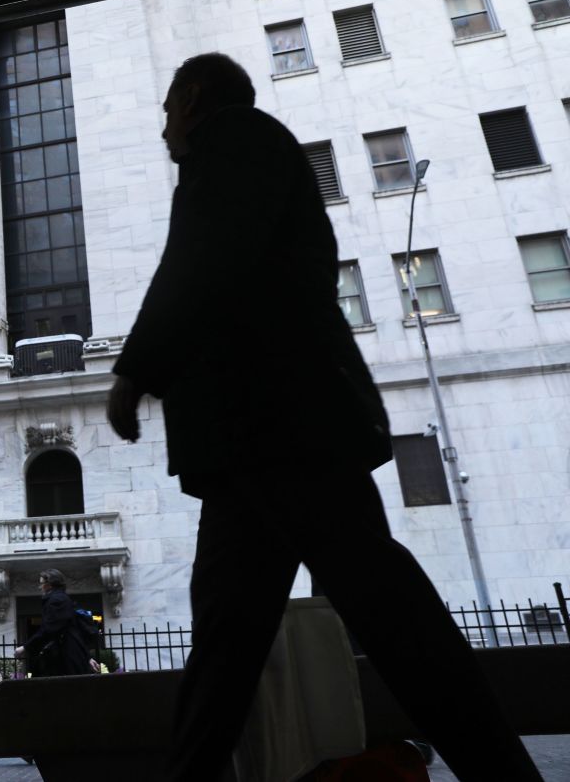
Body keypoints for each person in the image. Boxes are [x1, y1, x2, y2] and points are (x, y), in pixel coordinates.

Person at [106, 52, 542, 782]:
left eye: (165, 111)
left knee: (387, 620)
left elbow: (201, 261)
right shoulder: (253, 150)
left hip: (281, 430)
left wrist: (137, 371)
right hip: (265, 440)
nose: (161, 131)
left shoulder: (237, 142)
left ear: (192, 98)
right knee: (228, 649)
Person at [13, 569, 94, 677]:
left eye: (41, 583)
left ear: (49, 585)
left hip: (65, 656)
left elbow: (49, 630)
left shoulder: (57, 601)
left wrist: (25, 647)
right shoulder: (62, 599)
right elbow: (74, 629)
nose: (40, 587)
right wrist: (87, 656)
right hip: (68, 654)